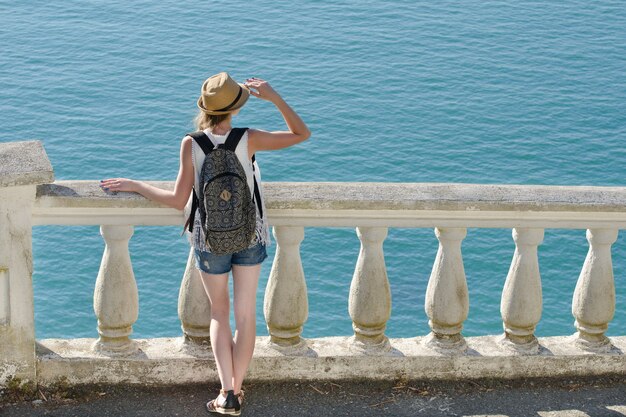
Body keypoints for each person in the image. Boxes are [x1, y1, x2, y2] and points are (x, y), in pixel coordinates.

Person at [99, 72, 311, 415]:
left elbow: (177, 198)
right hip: (250, 234)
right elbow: (302, 133)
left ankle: (225, 391)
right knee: (245, 314)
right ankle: (235, 393)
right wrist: (273, 97)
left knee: (219, 313)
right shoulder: (249, 139)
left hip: (208, 238)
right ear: (235, 109)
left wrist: (136, 185)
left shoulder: (192, 143)